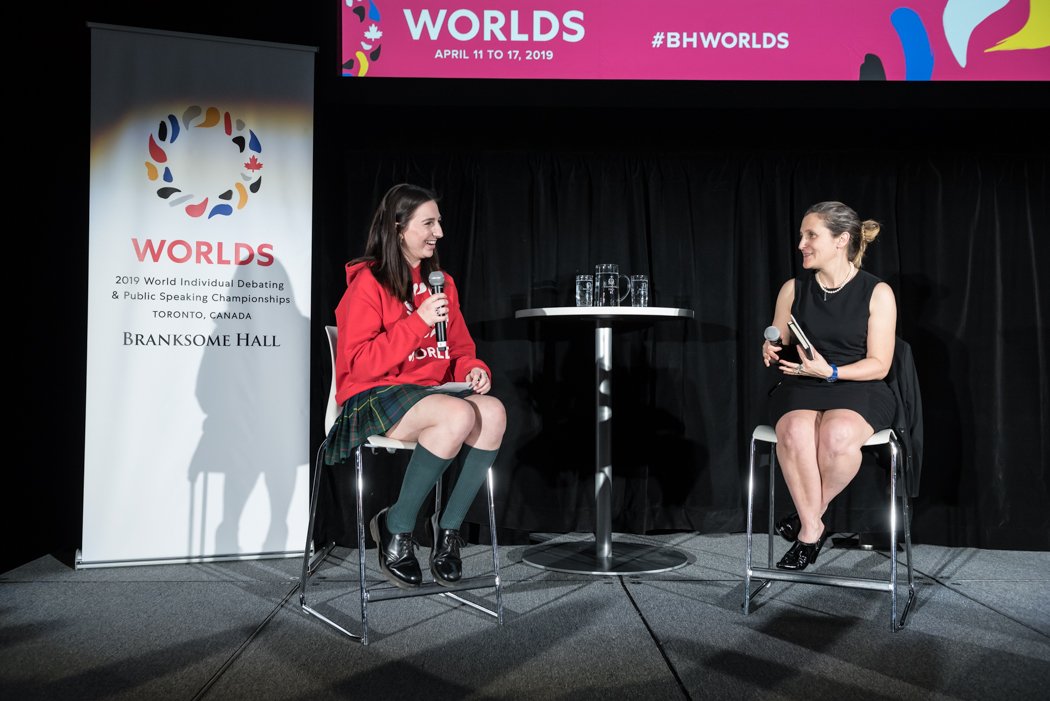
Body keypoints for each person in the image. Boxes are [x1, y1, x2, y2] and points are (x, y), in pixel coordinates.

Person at [324, 183, 506, 589]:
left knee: (493, 412)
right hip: (372, 394)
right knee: (456, 414)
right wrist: (417, 322)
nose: (439, 232)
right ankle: (396, 525)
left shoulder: (441, 283)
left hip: (428, 395)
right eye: (428, 223)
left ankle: (448, 528)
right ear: (398, 227)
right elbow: (360, 364)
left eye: (438, 222)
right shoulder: (368, 283)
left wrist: (473, 369)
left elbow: (459, 348)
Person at [761, 201, 897, 571]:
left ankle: (808, 525)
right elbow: (778, 337)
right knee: (794, 430)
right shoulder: (793, 289)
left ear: (841, 240)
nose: (801, 244)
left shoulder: (877, 292)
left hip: (858, 384)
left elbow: (879, 364)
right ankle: (813, 527)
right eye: (801, 236)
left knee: (837, 436)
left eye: (811, 236)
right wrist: (770, 347)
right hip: (802, 383)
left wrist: (832, 371)